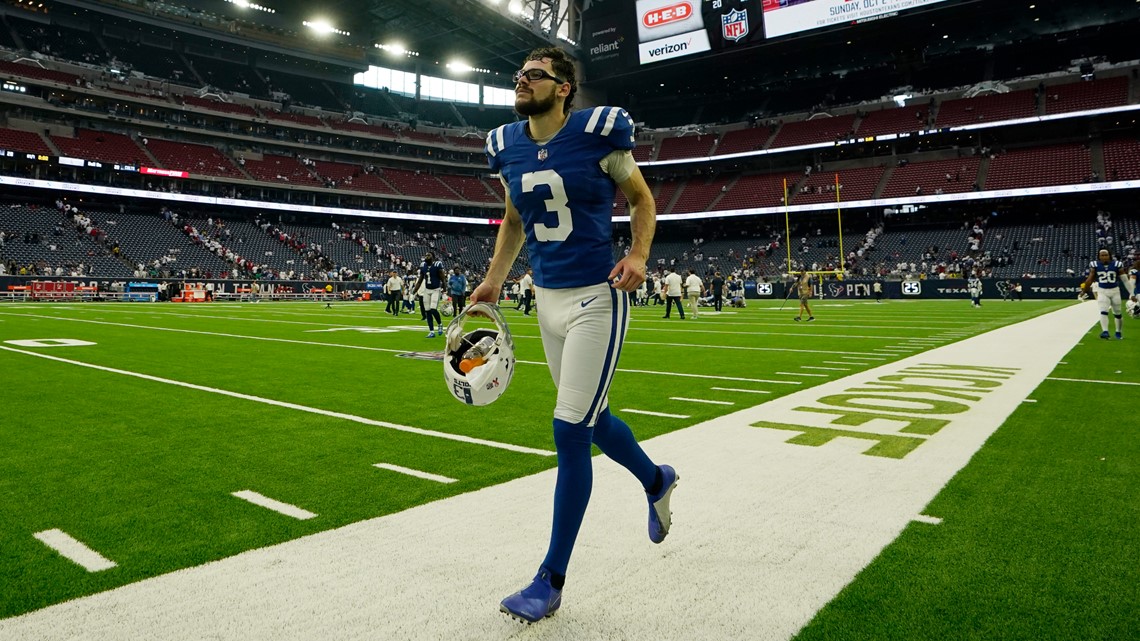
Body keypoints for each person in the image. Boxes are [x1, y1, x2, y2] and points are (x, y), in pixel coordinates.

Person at [472, 46, 678, 624]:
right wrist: (493, 282)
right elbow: (514, 220)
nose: (522, 81)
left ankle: (551, 578)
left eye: (535, 75)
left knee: (569, 430)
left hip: (597, 296)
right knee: (596, 420)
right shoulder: (506, 144)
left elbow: (641, 199)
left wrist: (638, 254)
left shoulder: (598, 132)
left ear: (564, 88)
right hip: (547, 300)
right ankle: (656, 478)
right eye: (518, 74)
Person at [1081, 248, 1133, 339]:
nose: (1104, 257)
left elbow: (1125, 281)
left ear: (1109, 256)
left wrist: (1131, 293)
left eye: (1106, 255)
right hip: (1102, 290)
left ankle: (1118, 332)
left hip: (1115, 290)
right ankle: (1105, 331)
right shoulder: (1095, 265)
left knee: (1117, 313)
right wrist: (1084, 290)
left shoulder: (1117, 264)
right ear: (1099, 257)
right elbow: (1090, 279)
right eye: (1102, 255)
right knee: (1103, 311)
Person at [411, 251, 445, 337]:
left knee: (433, 309)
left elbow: (443, 278)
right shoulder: (423, 266)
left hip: (435, 290)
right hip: (427, 290)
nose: (426, 256)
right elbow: (420, 280)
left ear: (433, 257)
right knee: (427, 311)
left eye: (428, 255)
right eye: (426, 255)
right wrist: (414, 291)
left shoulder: (437, 265)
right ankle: (432, 331)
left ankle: (440, 324)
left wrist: (445, 289)